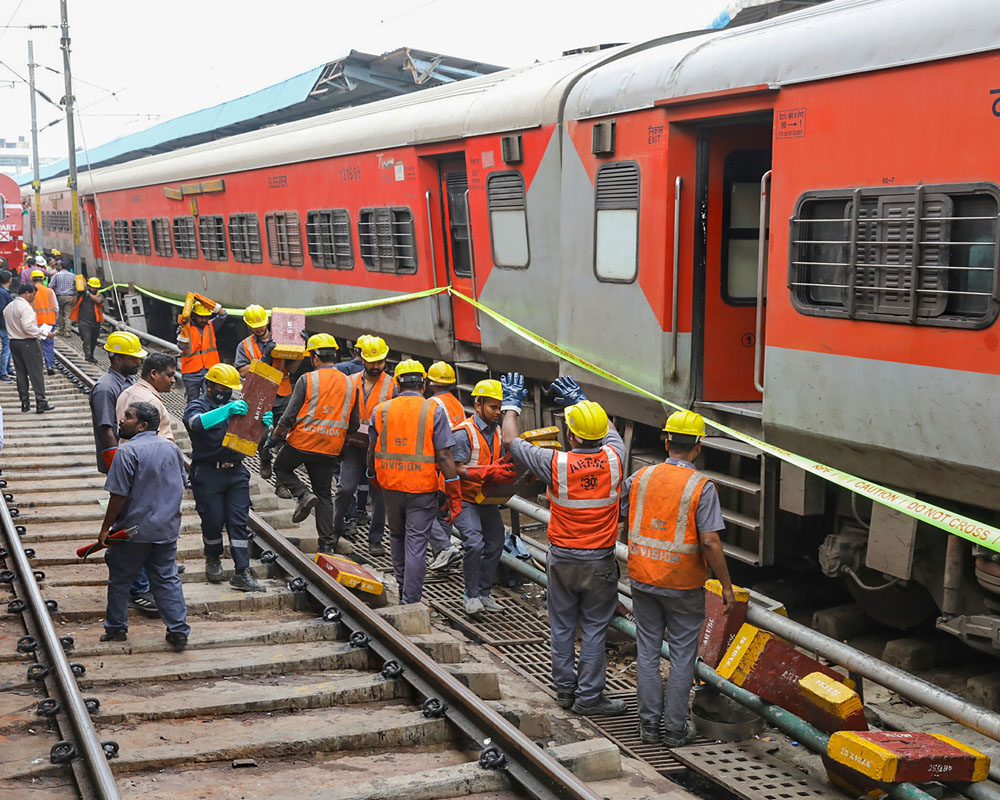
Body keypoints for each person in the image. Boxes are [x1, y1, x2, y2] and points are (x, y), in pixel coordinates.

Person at [501, 373, 626, 717]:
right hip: (599, 562)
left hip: (562, 559)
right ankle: (590, 697)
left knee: (562, 626)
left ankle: (565, 692)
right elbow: (608, 431)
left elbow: (511, 440)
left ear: (570, 434)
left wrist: (511, 402)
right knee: (595, 629)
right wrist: (579, 399)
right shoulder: (616, 458)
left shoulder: (555, 463)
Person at [622, 409, 736, 747]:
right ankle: (673, 730)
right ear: (698, 446)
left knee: (647, 652)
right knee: (683, 654)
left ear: (666, 439)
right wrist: (726, 586)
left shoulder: (641, 476)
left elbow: (624, 511)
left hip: (642, 577)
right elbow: (710, 541)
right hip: (684, 584)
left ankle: (647, 726)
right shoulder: (702, 487)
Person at [98, 401, 189, 649]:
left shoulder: (127, 452)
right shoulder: (171, 449)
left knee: (120, 579)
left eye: (128, 417)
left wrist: (106, 529)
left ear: (142, 425)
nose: (121, 420)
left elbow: (118, 495)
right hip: (166, 529)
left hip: (133, 531)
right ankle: (178, 631)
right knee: (167, 578)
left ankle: (116, 628)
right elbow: (181, 482)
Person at [368, 360, 459, 604]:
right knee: (416, 543)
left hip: (390, 486)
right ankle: (410, 601)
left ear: (396, 383)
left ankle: (401, 586)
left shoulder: (381, 410)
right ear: (424, 384)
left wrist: (371, 476)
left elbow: (371, 450)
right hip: (422, 488)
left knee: (396, 536)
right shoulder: (434, 410)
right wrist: (454, 490)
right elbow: (443, 456)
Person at [271, 333, 360, 555]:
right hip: (330, 447)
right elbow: (354, 425)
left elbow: (289, 415)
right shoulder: (350, 385)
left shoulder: (307, 379)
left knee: (280, 467)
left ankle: (302, 494)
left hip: (302, 442)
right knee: (324, 495)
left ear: (314, 358)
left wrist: (275, 435)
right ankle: (327, 544)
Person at [184, 363, 266, 592]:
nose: (226, 392)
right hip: (208, 472)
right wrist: (226, 412)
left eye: (229, 388)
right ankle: (213, 558)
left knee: (238, 521)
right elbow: (195, 424)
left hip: (236, 472)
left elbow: (250, 442)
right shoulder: (197, 406)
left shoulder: (236, 407)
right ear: (208, 385)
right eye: (222, 387)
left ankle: (242, 570)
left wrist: (261, 426)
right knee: (213, 520)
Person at [91, 331, 157, 613]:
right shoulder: (106, 387)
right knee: (130, 521)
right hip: (122, 461)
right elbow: (107, 429)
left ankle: (148, 569)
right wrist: (118, 464)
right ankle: (138, 586)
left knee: (140, 517)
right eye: (133, 358)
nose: (137, 362)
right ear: (117, 357)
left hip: (133, 460)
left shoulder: (127, 382)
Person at [450, 380, 518, 614]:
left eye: (500, 408)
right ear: (477, 405)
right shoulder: (463, 434)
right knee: (474, 543)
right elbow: (455, 469)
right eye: (492, 407)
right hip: (465, 499)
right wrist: (488, 472)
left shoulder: (497, 432)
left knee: (496, 542)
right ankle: (470, 595)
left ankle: (484, 593)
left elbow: (498, 461)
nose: (498, 413)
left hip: (485, 499)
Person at [334, 335, 393, 550]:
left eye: (379, 362)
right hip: (353, 445)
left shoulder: (391, 386)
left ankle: (375, 540)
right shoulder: (350, 382)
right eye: (372, 361)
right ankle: (334, 530)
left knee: (379, 496)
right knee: (345, 488)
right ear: (363, 359)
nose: (376, 366)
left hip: (379, 448)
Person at [234, 304, 303, 484]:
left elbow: (292, 369)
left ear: (268, 322)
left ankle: (281, 483)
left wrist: (300, 351)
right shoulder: (245, 346)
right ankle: (265, 459)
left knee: (285, 438)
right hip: (260, 395)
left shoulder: (282, 339)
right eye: (255, 325)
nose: (259, 328)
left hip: (283, 392)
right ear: (249, 326)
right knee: (262, 435)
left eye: (262, 324)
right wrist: (264, 359)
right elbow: (242, 372)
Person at [426, 361, 466, 571]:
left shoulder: (433, 404)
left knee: (425, 513)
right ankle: (443, 556)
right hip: (453, 469)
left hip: (440, 470)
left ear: (430, 383)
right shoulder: (456, 403)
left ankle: (444, 549)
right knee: (443, 514)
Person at [3, 282, 53, 413]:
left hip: (14, 342)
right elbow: (28, 327)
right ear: (27, 293)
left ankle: (25, 403)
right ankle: (41, 402)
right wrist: (45, 333)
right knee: (36, 373)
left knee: (21, 373)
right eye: (33, 295)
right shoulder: (25, 308)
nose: (34, 297)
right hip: (28, 343)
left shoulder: (9, 307)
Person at [116, 352, 178, 442]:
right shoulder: (151, 401)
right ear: (153, 373)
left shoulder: (126, 393)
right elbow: (153, 444)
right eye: (169, 375)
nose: (173, 380)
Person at [177, 300, 226, 404]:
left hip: (210, 370)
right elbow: (181, 346)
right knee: (193, 401)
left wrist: (204, 301)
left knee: (211, 400)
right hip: (191, 372)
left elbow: (223, 314)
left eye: (207, 317)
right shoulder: (184, 328)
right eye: (201, 317)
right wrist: (184, 329)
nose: (204, 319)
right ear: (194, 315)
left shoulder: (211, 325)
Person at [70, 277, 105, 362]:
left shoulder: (99, 295)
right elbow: (73, 303)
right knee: (87, 338)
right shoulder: (81, 296)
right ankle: (87, 356)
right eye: (93, 287)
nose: (94, 289)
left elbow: (98, 301)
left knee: (93, 340)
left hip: (95, 322)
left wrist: (88, 294)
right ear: (88, 286)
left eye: (96, 287)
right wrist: (76, 293)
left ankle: (91, 356)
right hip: (83, 321)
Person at [30, 270, 57, 375]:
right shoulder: (50, 291)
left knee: (34, 345)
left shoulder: (30, 291)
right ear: (43, 279)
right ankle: (50, 365)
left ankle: (36, 367)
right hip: (49, 322)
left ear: (32, 279)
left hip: (35, 322)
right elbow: (56, 307)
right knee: (48, 344)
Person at [49, 259, 77, 337]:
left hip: (59, 297)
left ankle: (61, 329)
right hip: (70, 297)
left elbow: (50, 286)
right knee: (68, 314)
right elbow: (77, 287)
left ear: (61, 266)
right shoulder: (73, 275)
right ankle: (68, 331)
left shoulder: (56, 275)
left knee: (60, 313)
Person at [0, 270, 15, 382]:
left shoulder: (3, 292)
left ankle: (8, 368)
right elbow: (4, 310)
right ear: (9, 280)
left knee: (8, 348)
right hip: (4, 325)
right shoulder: (4, 293)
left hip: (4, 324)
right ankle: (3, 372)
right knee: (7, 348)